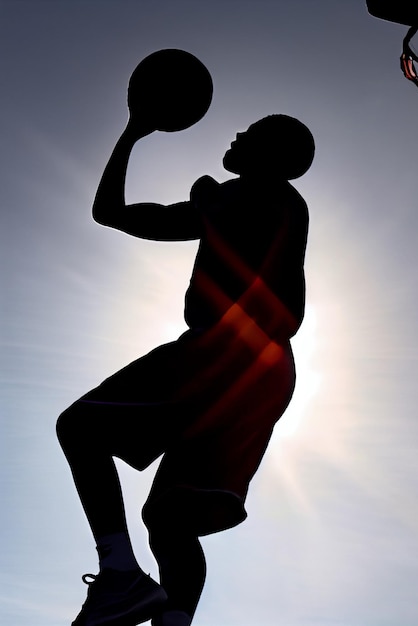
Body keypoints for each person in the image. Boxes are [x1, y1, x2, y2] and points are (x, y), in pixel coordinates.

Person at [56, 113, 314, 626]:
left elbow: (116, 214)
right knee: (171, 522)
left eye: (252, 132)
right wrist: (132, 133)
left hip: (224, 354)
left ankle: (119, 574)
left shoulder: (257, 196)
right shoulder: (257, 204)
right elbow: (110, 213)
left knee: (79, 426)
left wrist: (139, 136)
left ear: (271, 156)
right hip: (268, 374)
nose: (238, 134)